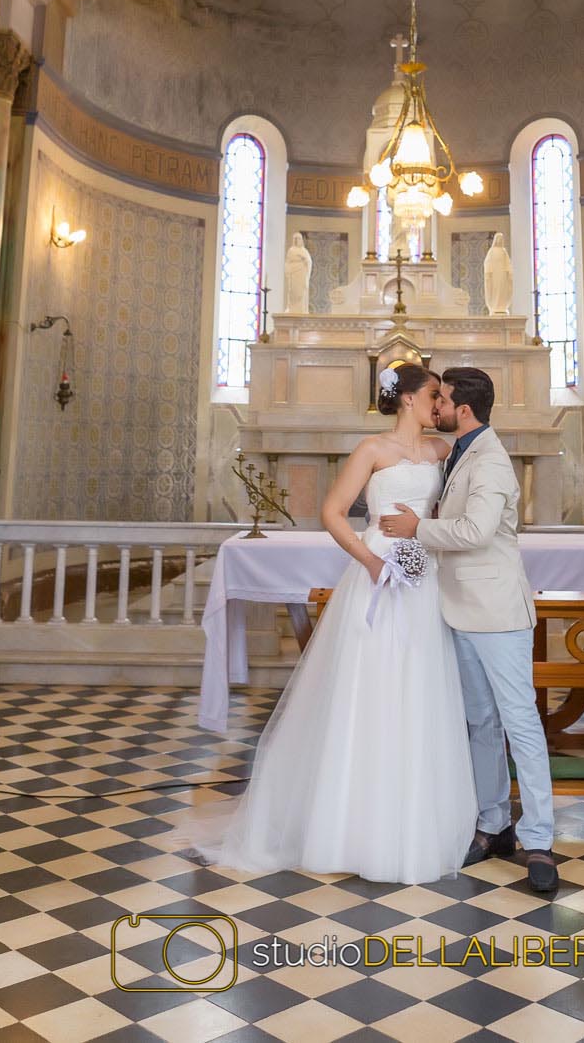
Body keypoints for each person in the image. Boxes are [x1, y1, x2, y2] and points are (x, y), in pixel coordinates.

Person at [178, 364, 480, 884]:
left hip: (425, 574)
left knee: (421, 686)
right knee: (369, 687)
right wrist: (372, 561)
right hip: (378, 571)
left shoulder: (440, 450)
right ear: (408, 398)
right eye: (433, 394)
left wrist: (428, 537)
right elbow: (333, 512)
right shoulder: (372, 449)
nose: (439, 403)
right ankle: (345, 826)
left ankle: (414, 826)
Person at [380, 366, 559, 894]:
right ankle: (493, 824)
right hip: (457, 608)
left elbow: (478, 531)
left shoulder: (492, 461)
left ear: (462, 409)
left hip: (497, 613)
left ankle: (539, 840)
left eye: (442, 399)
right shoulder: (458, 450)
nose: (434, 405)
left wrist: (418, 528)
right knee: (480, 722)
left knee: (520, 723)